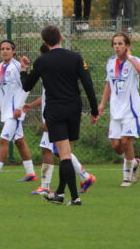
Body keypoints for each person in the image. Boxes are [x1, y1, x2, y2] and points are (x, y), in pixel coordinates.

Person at [20, 25, 98, 206]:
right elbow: (88, 84)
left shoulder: (42, 61)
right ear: (61, 37)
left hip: (55, 110)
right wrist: (94, 110)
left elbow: (26, 86)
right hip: (74, 109)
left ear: (45, 42)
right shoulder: (76, 57)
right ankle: (60, 193)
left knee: (64, 155)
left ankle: (75, 198)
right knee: (66, 153)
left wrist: (24, 69)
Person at [0, 40, 36, 182]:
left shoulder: (17, 66)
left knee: (3, 140)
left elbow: (26, 87)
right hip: (6, 112)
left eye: (7, 49)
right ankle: (31, 173)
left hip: (15, 112)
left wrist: (19, 107)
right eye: (2, 49)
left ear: (13, 51)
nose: (4, 51)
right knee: (19, 141)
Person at [97, 33, 140, 187]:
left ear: (127, 46)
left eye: (120, 43)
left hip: (131, 110)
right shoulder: (110, 62)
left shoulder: (134, 60)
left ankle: (127, 177)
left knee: (126, 141)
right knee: (117, 146)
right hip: (115, 110)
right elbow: (108, 84)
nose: (117, 46)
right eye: (115, 44)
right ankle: (134, 162)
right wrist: (102, 105)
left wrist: (130, 57)